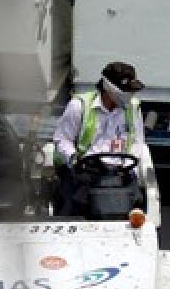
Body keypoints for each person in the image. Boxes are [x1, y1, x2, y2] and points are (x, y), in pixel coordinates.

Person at [52, 61, 146, 215]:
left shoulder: (133, 108)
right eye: (126, 91)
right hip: (85, 173)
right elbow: (62, 139)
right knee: (68, 210)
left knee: (136, 213)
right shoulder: (79, 106)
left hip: (121, 173)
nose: (130, 95)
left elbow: (137, 142)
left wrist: (128, 166)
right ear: (109, 88)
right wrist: (74, 159)